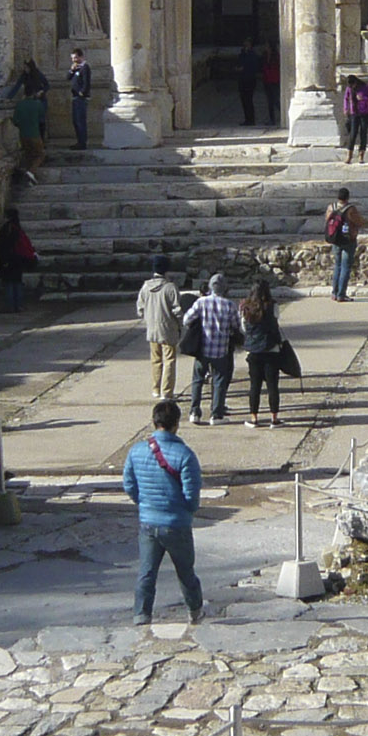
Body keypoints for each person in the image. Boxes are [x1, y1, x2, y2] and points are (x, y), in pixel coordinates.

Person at [122, 398, 204, 623]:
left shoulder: (137, 451)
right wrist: (187, 510)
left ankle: (141, 615)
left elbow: (129, 484)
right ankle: (195, 611)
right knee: (186, 573)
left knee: (146, 574)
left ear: (153, 421)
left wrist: (144, 503)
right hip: (176, 524)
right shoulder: (185, 455)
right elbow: (192, 495)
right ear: (177, 423)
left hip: (148, 523)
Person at [186, 271, 243, 425]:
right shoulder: (229, 305)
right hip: (221, 349)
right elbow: (237, 326)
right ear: (224, 288)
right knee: (219, 381)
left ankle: (194, 411)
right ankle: (216, 414)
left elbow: (186, 320)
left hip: (202, 348)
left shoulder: (201, 302)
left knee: (197, 380)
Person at [242, 283, 297, 427]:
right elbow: (276, 321)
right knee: (273, 386)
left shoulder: (245, 306)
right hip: (271, 349)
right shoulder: (272, 306)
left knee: (255, 386)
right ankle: (274, 418)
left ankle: (254, 418)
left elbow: (243, 327)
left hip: (253, 351)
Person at [136, 257, 185, 400]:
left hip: (152, 329)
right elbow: (177, 310)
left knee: (155, 359)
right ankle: (167, 391)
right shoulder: (170, 287)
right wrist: (181, 323)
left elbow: (140, 309)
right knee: (169, 359)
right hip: (168, 328)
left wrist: (148, 318)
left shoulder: (145, 287)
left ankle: (155, 388)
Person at [0, 208, 35, 315]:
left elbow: (4, 244)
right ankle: (19, 305)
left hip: (9, 258)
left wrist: (2, 257)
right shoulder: (18, 227)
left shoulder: (8, 228)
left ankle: (10, 305)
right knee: (17, 282)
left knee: (9, 283)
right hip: (19, 259)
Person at [325, 189, 364, 302]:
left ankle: (334, 293)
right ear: (348, 197)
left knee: (337, 265)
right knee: (345, 266)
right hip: (348, 240)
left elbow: (327, 221)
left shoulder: (331, 207)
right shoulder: (350, 209)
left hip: (335, 239)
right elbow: (359, 222)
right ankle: (341, 294)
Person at [11, 70, 48, 179]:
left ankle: (29, 175)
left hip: (23, 135)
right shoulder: (37, 104)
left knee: (28, 155)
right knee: (40, 154)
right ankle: (30, 172)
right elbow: (42, 118)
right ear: (33, 93)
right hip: (34, 134)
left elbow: (15, 121)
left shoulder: (20, 105)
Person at [342, 72, 368, 162]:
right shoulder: (349, 88)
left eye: (353, 84)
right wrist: (346, 108)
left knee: (363, 133)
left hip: (365, 113)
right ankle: (349, 156)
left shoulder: (365, 87)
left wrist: (363, 98)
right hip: (354, 113)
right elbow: (346, 98)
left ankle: (361, 156)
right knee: (353, 134)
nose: (352, 87)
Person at [68, 47, 94, 151]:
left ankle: (82, 142)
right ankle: (79, 141)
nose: (74, 60)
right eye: (73, 58)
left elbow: (86, 83)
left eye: (76, 57)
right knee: (75, 120)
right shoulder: (76, 68)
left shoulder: (85, 68)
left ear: (81, 57)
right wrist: (71, 70)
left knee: (80, 120)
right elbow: (67, 78)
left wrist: (82, 93)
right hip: (75, 97)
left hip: (81, 98)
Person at [237, 39, 262, 127]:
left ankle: (251, 119)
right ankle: (247, 119)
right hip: (242, 79)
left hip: (250, 79)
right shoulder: (242, 53)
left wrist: (245, 68)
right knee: (244, 100)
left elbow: (254, 66)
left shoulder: (253, 55)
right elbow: (239, 62)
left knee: (249, 100)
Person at [261, 42, 281, 127]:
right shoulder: (265, 56)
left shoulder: (276, 56)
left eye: (266, 46)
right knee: (270, 101)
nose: (265, 47)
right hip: (267, 80)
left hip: (275, 80)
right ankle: (272, 119)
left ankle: (284, 115)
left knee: (276, 100)